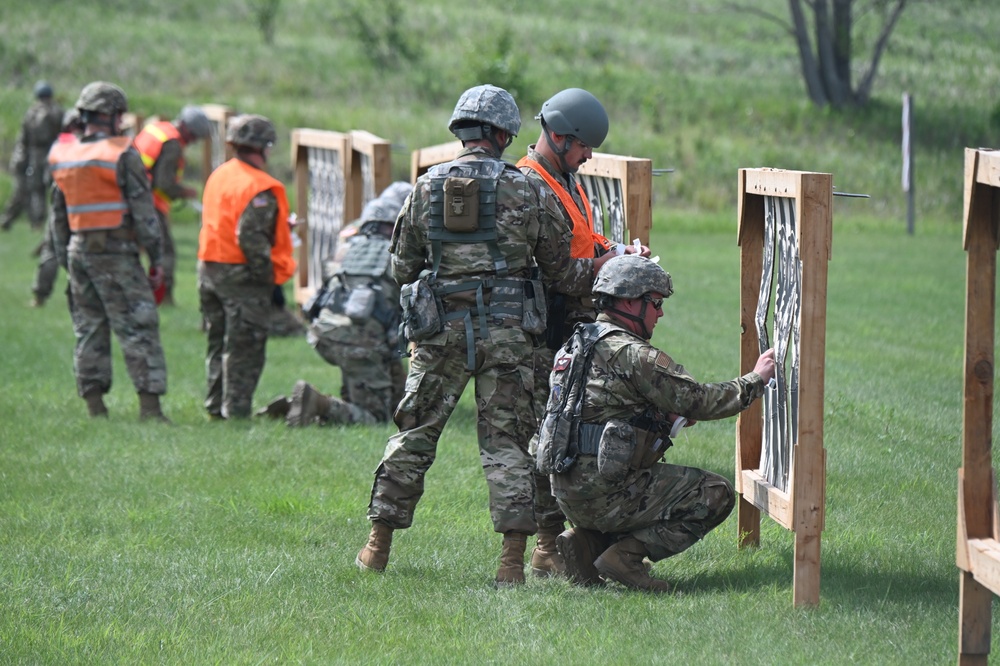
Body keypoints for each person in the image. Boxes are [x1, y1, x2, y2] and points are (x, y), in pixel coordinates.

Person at [355, 84, 572, 586]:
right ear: (502, 134)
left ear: (461, 131)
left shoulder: (427, 186)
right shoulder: (527, 187)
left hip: (439, 336)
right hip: (510, 337)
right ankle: (515, 563)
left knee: (415, 433)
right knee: (510, 444)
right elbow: (559, 269)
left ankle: (377, 547)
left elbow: (403, 265)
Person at [536, 254, 776, 592]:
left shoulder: (573, 346)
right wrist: (757, 379)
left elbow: (594, 409)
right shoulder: (633, 354)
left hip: (566, 491)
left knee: (639, 490)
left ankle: (588, 543)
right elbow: (699, 400)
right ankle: (626, 558)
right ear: (630, 301)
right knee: (715, 494)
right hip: (607, 493)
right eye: (656, 303)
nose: (660, 313)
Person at [516, 88, 650, 577]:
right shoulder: (532, 185)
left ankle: (576, 543)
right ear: (556, 136)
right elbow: (559, 273)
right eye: (583, 145)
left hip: (574, 329)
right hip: (547, 334)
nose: (590, 155)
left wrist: (614, 249)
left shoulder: (565, 180)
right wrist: (609, 266)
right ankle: (546, 548)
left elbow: (582, 240)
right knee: (550, 441)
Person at [49, 81, 169, 421]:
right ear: (114, 116)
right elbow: (144, 212)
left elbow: (57, 217)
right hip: (117, 256)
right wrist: (156, 258)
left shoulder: (64, 154)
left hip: (78, 253)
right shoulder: (121, 153)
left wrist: (66, 261)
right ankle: (150, 410)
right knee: (138, 327)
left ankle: (95, 408)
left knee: (88, 329)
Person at [260, 183, 411, 427]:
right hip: (361, 342)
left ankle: (293, 406)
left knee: (397, 403)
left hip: (326, 333)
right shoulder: (401, 251)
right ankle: (319, 404)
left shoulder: (348, 245)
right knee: (377, 418)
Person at [197, 114, 296, 420]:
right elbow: (250, 238)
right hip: (242, 277)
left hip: (209, 270)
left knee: (218, 342)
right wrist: (270, 281)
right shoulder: (260, 186)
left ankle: (216, 407)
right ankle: (237, 413)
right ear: (264, 147)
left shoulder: (220, 174)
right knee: (245, 348)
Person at [132, 105, 212, 305]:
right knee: (164, 251)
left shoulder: (158, 128)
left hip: (131, 196)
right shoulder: (173, 145)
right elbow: (164, 183)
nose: (192, 141)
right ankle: (163, 297)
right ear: (188, 130)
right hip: (149, 202)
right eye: (194, 137)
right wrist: (184, 192)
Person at [31, 108, 84, 308]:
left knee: (51, 251)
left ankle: (39, 297)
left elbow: (47, 179)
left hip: (61, 208)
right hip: (89, 211)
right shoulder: (95, 146)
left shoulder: (60, 146)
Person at [2, 80, 64, 232]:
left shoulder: (34, 112)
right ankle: (42, 219)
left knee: (38, 188)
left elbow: (24, 137)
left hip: (40, 152)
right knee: (44, 187)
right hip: (50, 151)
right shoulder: (56, 111)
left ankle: (38, 220)